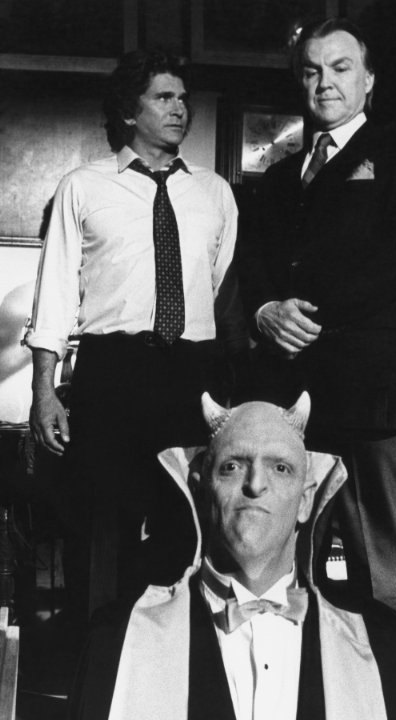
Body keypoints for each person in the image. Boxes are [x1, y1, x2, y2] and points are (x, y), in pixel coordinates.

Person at [237, 17, 396, 673]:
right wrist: (267, 312)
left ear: (368, 79)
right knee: (280, 552)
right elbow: (252, 268)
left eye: (341, 68)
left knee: (383, 557)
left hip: (366, 389)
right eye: (312, 70)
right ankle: (298, 687)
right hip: (284, 397)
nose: (325, 82)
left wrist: (309, 315)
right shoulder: (278, 177)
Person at [24, 49, 246, 623]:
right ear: (129, 111)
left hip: (192, 375)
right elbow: (55, 294)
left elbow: (223, 294)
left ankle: (170, 652)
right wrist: (44, 390)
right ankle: (96, 655)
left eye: (183, 98)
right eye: (163, 97)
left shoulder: (215, 193)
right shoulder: (83, 186)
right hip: (112, 371)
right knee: (101, 526)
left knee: (186, 523)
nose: (179, 109)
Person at [68, 391, 396, 720]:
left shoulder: (379, 643)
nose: (255, 484)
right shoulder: (119, 639)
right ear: (201, 492)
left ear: (305, 499)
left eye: (280, 468)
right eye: (232, 466)